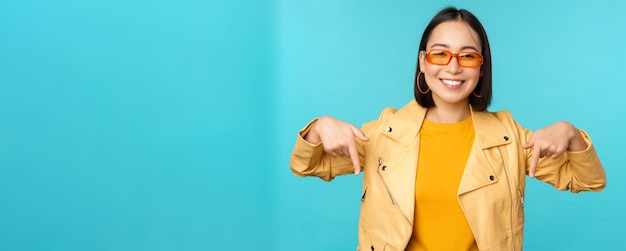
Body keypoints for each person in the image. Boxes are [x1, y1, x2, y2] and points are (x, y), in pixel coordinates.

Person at [289, 6, 606, 251]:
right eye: (440, 53)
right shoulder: (384, 133)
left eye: (467, 56)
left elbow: (589, 181)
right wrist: (319, 128)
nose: (453, 66)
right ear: (423, 62)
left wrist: (571, 133)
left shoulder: (510, 139)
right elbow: (305, 165)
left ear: (481, 68)